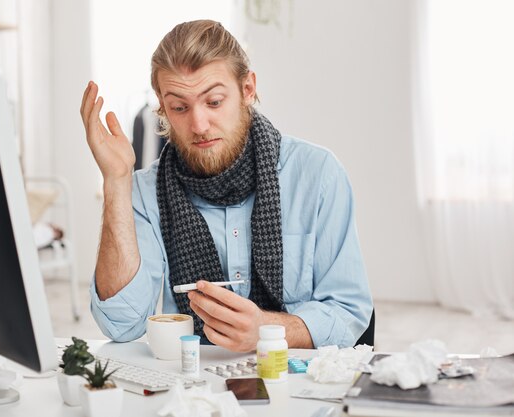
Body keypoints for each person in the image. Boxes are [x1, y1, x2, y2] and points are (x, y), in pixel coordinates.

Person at [81, 20, 372, 352]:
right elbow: (121, 324)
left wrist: (268, 329)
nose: (199, 124)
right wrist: (116, 182)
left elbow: (349, 312)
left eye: (214, 101)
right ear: (162, 108)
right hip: (194, 389)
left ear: (247, 90)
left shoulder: (318, 175)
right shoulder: (144, 193)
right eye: (179, 107)